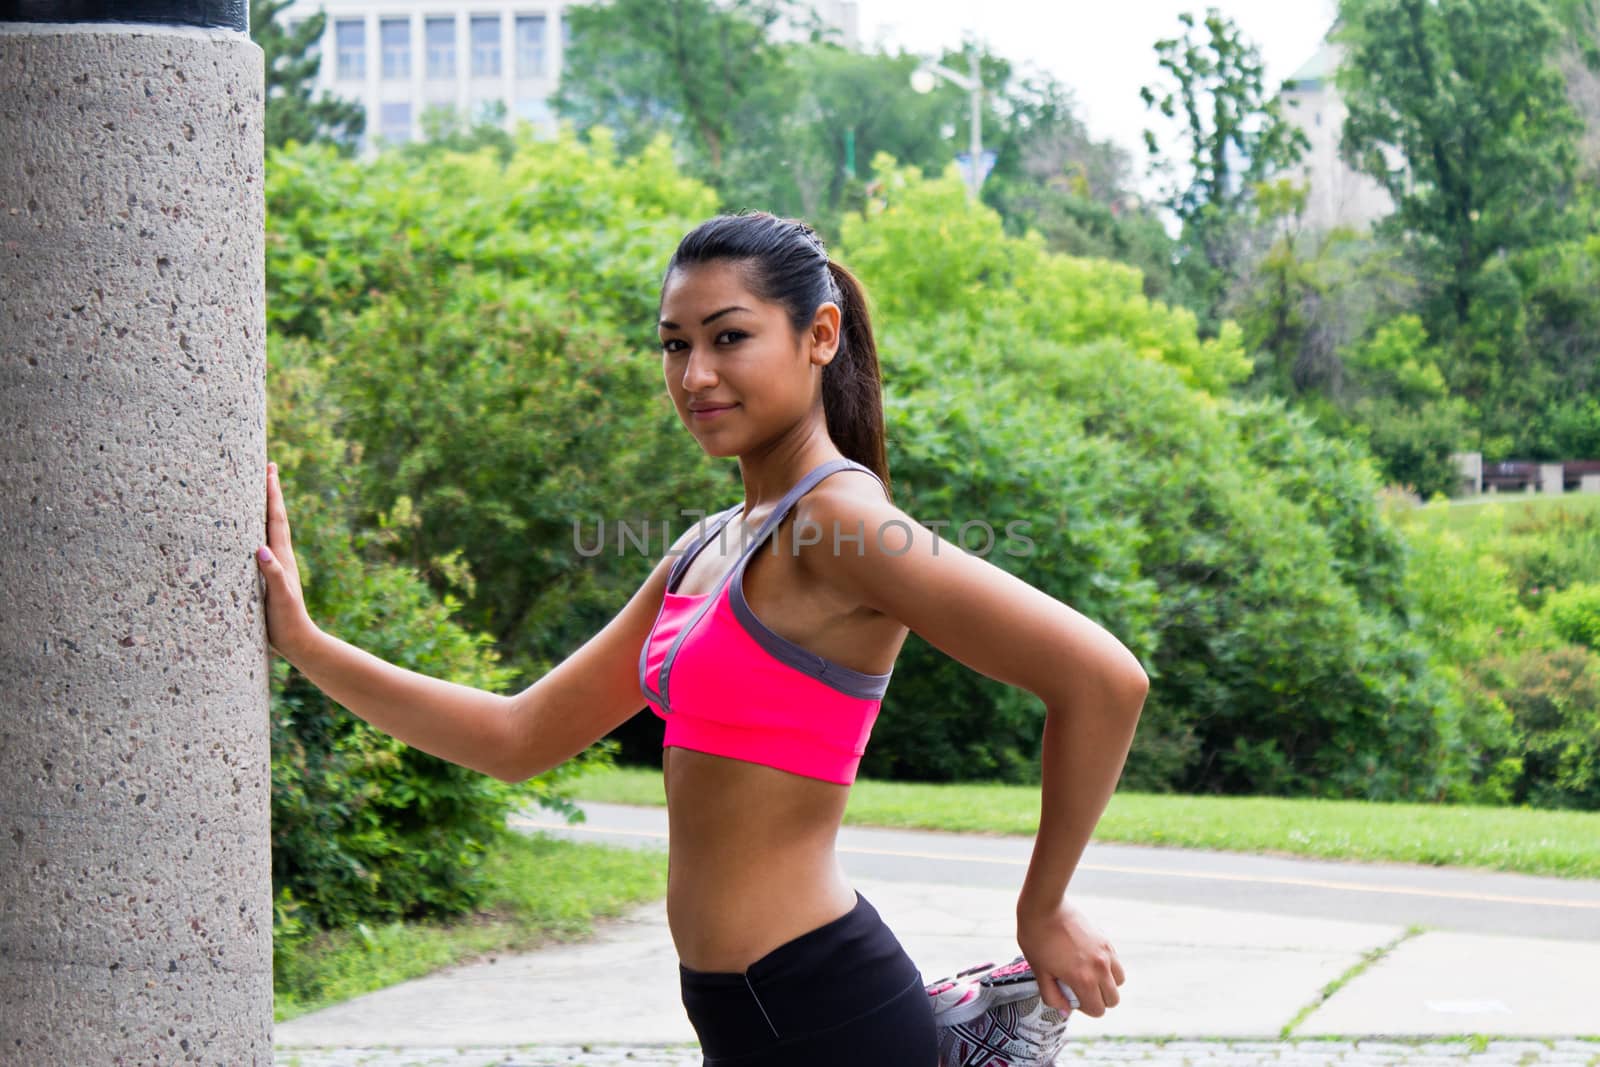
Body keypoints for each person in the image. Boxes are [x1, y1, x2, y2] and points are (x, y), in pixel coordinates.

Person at [255, 211, 1146, 1066]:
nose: (695, 375)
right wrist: (306, 642)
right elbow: (516, 737)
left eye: (729, 337)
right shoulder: (708, 545)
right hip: (750, 1019)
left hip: (823, 1011)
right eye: (675, 344)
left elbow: (1103, 680)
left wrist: (1045, 903)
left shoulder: (841, 522)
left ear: (820, 335)